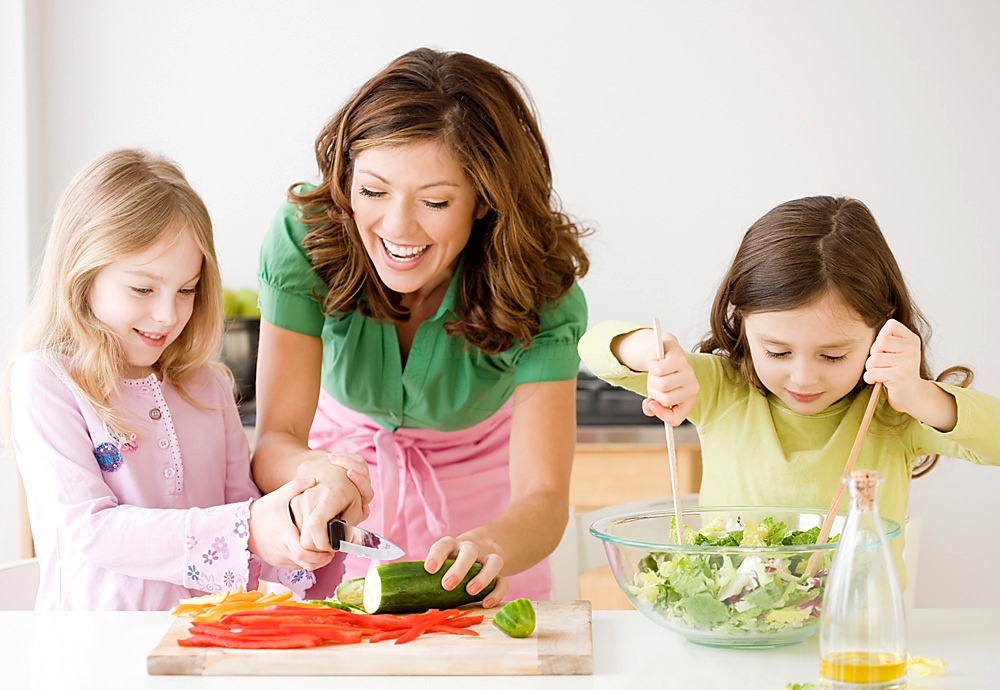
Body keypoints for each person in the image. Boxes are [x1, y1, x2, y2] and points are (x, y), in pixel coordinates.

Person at [251, 47, 590, 605]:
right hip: (343, 496)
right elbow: (274, 440)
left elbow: (544, 498)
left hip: (488, 520)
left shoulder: (540, 289)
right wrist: (316, 474)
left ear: (484, 200)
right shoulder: (304, 237)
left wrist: (489, 547)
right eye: (373, 191)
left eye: (434, 201)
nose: (398, 227)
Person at [0, 149, 367, 610]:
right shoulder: (46, 380)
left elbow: (249, 535)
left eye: (186, 290)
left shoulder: (209, 388)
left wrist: (306, 530)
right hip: (95, 646)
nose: (167, 315)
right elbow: (91, 530)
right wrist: (249, 528)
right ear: (81, 272)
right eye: (142, 288)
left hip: (203, 642)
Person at [578, 195, 1000, 583]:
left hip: (854, 636)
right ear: (742, 320)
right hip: (733, 632)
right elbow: (594, 347)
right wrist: (651, 351)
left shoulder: (895, 412)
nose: (803, 378)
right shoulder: (722, 389)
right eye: (777, 352)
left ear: (882, 331)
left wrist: (922, 396)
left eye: (832, 356)